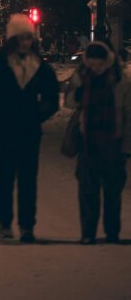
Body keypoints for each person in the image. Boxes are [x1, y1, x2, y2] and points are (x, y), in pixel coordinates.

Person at [0, 14, 59, 243]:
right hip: (4, 130)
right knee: (5, 178)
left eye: (28, 38)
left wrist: (38, 116)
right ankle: (5, 223)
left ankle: (27, 225)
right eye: (21, 38)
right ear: (12, 40)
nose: (25, 43)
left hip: (29, 130)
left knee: (28, 180)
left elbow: (52, 97)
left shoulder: (40, 68)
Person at [65, 41, 131, 244]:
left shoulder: (121, 80)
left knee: (113, 190)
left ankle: (112, 232)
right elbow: (69, 102)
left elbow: (128, 113)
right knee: (88, 189)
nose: (96, 69)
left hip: (113, 139)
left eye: (99, 65)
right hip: (89, 140)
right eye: (92, 64)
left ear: (107, 61)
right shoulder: (81, 77)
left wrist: (126, 146)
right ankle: (88, 232)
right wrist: (78, 93)